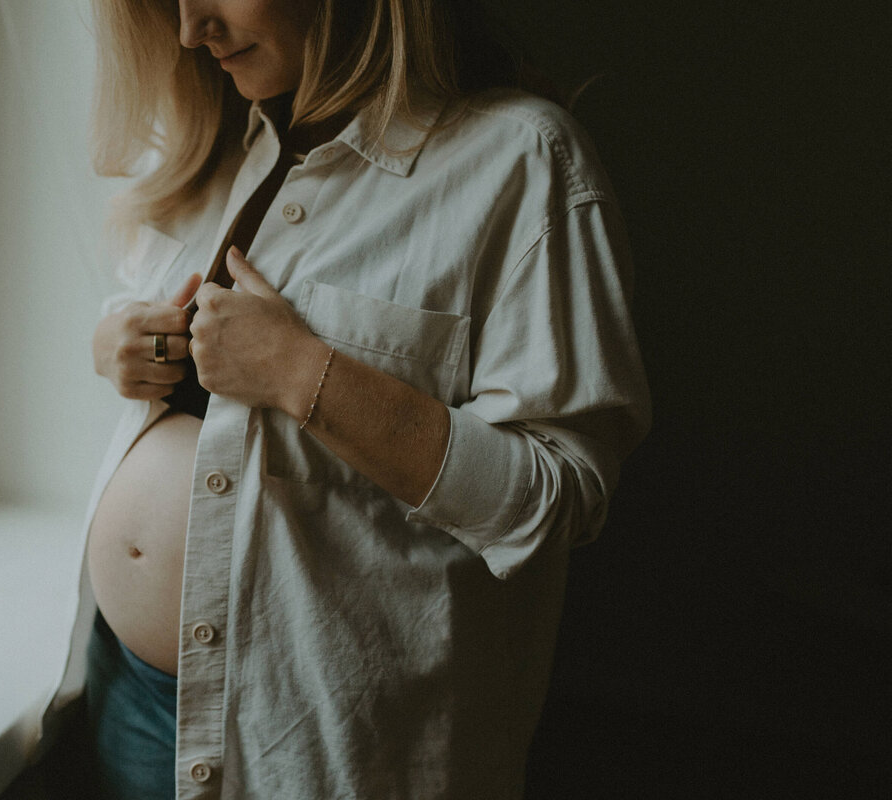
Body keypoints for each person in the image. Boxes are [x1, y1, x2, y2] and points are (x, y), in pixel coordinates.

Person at [36, 1, 650, 798]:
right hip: (133, 698)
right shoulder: (227, 136)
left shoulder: (522, 160)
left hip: (323, 752)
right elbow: (155, 303)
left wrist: (304, 374)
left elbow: (560, 494)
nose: (191, 30)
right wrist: (121, 340)